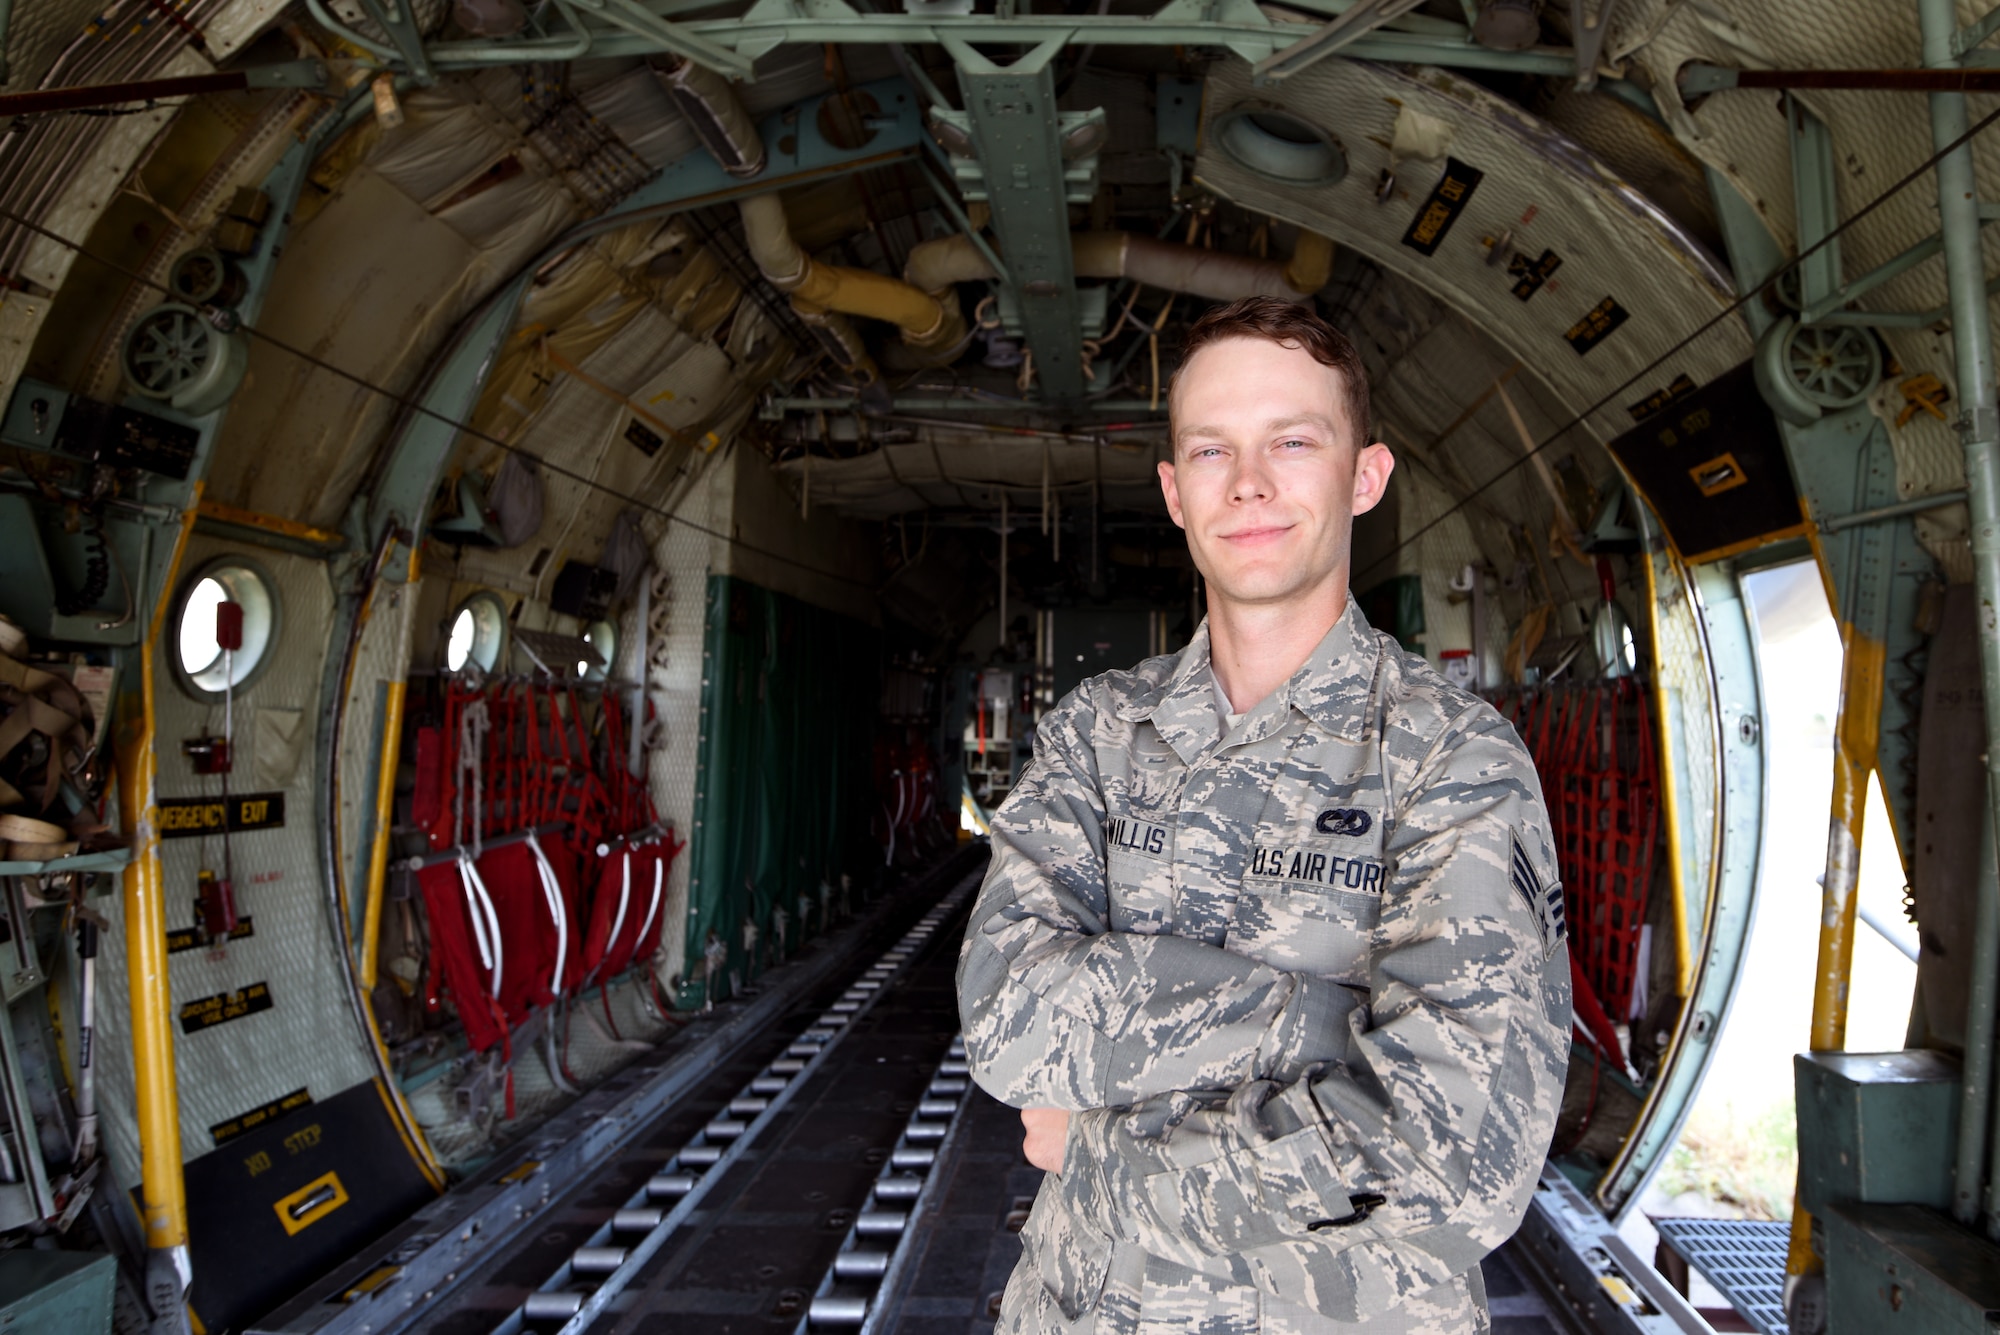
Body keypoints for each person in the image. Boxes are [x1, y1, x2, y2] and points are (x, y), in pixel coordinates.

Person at [956, 295, 1571, 1333]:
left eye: (1291, 441)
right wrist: (1313, 1022)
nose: (1247, 484)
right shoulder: (1097, 733)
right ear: (1172, 493)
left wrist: (1101, 1152)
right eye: (1210, 451)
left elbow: (1455, 1164)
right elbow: (1007, 1025)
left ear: (1362, 476)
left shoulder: (1449, 758)